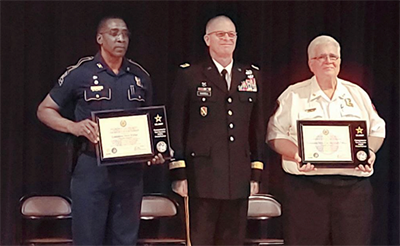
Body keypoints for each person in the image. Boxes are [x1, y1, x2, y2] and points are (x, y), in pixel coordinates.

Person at [37, 16, 164, 246]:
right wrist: (74, 127)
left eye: (125, 34)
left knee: (125, 239)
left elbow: (151, 123)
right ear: (99, 38)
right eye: (114, 33)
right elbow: (45, 110)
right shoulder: (81, 73)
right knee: (88, 238)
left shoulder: (140, 77)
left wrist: (153, 150)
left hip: (130, 172)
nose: (121, 39)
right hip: (91, 168)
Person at [266, 35, 386, 246]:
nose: (328, 61)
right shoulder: (293, 96)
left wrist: (370, 152)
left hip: (352, 190)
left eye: (333, 56)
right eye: (321, 57)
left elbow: (377, 129)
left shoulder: (357, 94)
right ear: (311, 63)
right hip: (306, 189)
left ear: (339, 61)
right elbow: (274, 135)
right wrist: (296, 153)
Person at [168, 15, 265, 246]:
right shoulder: (190, 75)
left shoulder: (250, 75)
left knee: (233, 240)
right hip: (201, 176)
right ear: (207, 39)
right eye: (221, 34)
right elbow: (177, 125)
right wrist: (178, 172)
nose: (227, 39)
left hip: (238, 176)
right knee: (201, 239)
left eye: (231, 35)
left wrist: (256, 172)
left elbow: (256, 128)